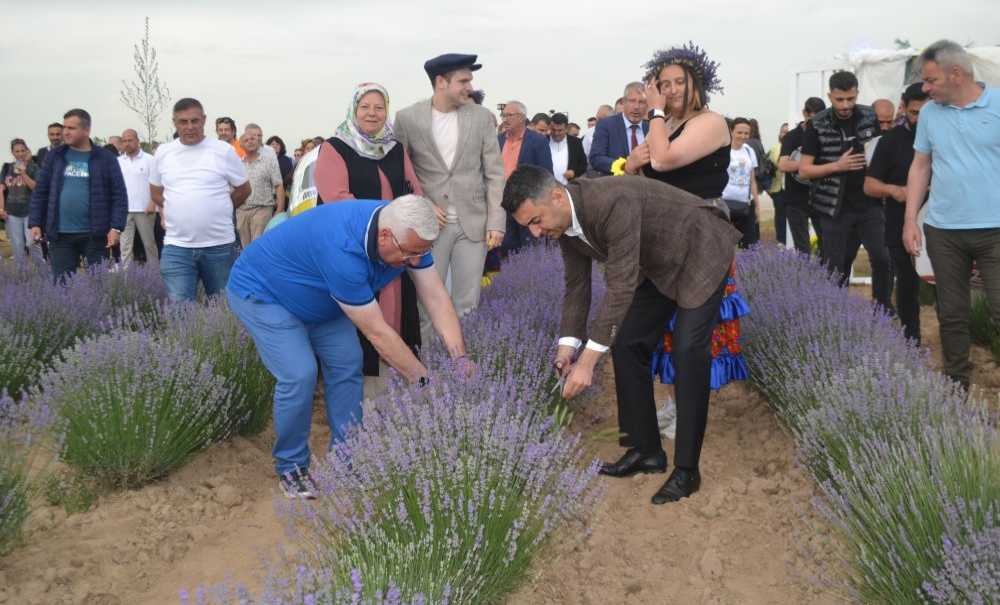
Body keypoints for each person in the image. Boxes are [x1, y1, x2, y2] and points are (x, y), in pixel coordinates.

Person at [503, 165, 741, 504]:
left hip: (700, 250)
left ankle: (687, 470)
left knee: (688, 352)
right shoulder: (564, 222)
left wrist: (587, 363)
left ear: (557, 196)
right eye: (529, 226)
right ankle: (646, 452)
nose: (536, 233)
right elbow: (576, 286)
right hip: (656, 262)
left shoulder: (613, 202)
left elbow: (620, 287)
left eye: (536, 221)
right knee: (628, 342)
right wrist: (566, 349)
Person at [226, 195, 471, 498]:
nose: (414, 262)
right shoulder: (342, 248)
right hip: (265, 293)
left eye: (422, 253)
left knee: (347, 364)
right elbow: (379, 334)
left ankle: (347, 459)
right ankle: (292, 468)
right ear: (385, 235)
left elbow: (434, 295)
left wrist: (459, 358)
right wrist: (423, 381)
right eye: (409, 255)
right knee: (299, 373)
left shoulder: (410, 240)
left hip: (322, 298)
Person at [635, 42, 749, 447]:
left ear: (695, 83)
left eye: (678, 82)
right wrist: (641, 153)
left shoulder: (712, 122)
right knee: (666, 329)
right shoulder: (667, 126)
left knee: (692, 331)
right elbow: (637, 168)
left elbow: (660, 161)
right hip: (665, 235)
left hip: (701, 235)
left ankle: (689, 410)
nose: (671, 90)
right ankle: (673, 404)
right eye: (663, 85)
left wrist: (655, 115)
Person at [902, 40, 1000, 391]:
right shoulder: (929, 113)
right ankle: (957, 385)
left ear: (955, 74)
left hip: (995, 231)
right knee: (952, 314)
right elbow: (920, 166)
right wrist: (910, 219)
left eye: (930, 80)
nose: (924, 89)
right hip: (944, 231)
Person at [313, 82, 426, 378]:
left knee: (397, 311)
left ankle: (395, 371)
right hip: (355, 247)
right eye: (365, 107)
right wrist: (381, 226)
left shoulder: (394, 148)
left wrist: (413, 220)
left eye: (379, 108)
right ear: (354, 109)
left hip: (395, 248)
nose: (372, 114)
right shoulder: (334, 148)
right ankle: (359, 379)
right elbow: (337, 199)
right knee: (359, 320)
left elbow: (415, 190)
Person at [394, 53, 505, 335]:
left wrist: (496, 222)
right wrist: (422, 205)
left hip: (474, 225)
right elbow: (400, 173)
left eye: (470, 80)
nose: (470, 86)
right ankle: (429, 372)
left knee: (467, 304)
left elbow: (494, 173)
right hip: (430, 226)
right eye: (464, 80)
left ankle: (460, 373)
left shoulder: (481, 118)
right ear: (441, 82)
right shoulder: (407, 118)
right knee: (427, 305)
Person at [799, 71, 891, 311]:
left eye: (850, 98)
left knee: (882, 258)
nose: (846, 105)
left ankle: (881, 310)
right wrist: (837, 166)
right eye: (840, 99)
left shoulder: (870, 116)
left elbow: (880, 152)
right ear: (830, 96)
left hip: (869, 204)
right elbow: (804, 170)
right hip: (833, 208)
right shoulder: (817, 124)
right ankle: (836, 315)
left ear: (857, 93)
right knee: (836, 268)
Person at [150, 98, 250, 301]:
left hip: (220, 247)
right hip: (177, 247)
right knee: (180, 309)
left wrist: (220, 208)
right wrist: (173, 207)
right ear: (174, 123)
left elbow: (244, 189)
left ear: (204, 120)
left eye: (195, 121)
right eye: (183, 122)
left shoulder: (223, 151)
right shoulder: (163, 153)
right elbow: (155, 192)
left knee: (224, 307)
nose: (190, 127)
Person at [29, 109, 127, 281]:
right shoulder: (55, 157)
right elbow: (41, 191)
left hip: (95, 235)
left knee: (99, 286)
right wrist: (36, 222)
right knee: (62, 286)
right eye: (65, 127)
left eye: (71, 128)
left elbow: (119, 195)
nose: (65, 132)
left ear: (86, 130)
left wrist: (116, 227)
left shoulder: (105, 158)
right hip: (60, 235)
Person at [864, 83, 929, 345]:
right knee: (907, 283)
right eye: (914, 113)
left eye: (926, 114)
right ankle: (911, 339)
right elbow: (870, 185)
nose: (920, 120)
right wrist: (893, 190)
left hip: (942, 221)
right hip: (899, 221)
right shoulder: (890, 142)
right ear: (903, 107)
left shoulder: (947, 135)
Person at [496, 101, 552, 257]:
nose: (505, 119)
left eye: (509, 115)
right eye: (503, 115)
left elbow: (546, 174)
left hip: (528, 207)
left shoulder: (537, 141)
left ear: (522, 117)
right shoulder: (498, 140)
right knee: (505, 250)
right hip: (502, 206)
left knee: (529, 251)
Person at [779, 97, 827, 254]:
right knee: (802, 249)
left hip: (821, 197)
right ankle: (804, 278)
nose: (814, 123)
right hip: (796, 199)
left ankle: (826, 278)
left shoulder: (826, 135)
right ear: (804, 114)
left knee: (826, 245)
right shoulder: (792, 136)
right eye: (811, 118)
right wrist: (809, 165)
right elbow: (783, 164)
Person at [117, 129, 158, 265]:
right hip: (124, 210)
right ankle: (126, 278)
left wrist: (152, 203)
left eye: (130, 140)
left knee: (149, 245)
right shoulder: (118, 162)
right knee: (125, 246)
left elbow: (157, 184)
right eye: (124, 141)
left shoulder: (150, 160)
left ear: (137, 141)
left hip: (144, 209)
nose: (127, 143)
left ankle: (154, 275)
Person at [236, 131, 285, 246]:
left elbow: (279, 185)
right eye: (246, 140)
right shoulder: (237, 164)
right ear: (241, 145)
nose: (250, 142)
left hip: (262, 209)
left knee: (258, 246)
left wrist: (279, 210)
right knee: (245, 248)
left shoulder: (269, 161)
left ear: (258, 142)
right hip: (242, 211)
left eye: (252, 139)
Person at [589, 83, 648, 175]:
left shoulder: (652, 127)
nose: (636, 107)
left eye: (641, 102)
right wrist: (624, 166)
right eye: (632, 101)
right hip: (616, 186)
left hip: (648, 187)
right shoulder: (606, 125)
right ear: (623, 102)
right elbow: (596, 158)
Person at [722, 118, 760, 247]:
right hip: (724, 202)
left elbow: (752, 180)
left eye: (746, 133)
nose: (743, 136)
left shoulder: (749, 151)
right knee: (724, 243)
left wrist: (757, 204)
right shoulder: (723, 149)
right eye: (739, 132)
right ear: (731, 131)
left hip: (744, 204)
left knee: (749, 244)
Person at [0, 139, 40, 261]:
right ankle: (21, 275)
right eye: (17, 151)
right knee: (17, 246)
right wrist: (1, 209)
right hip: (12, 212)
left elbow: (35, 187)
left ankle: (42, 274)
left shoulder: (34, 167)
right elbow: (1, 189)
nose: (20, 153)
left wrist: (23, 173)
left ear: (27, 151)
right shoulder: (7, 167)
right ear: (12, 152)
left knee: (32, 243)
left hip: (30, 211)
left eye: (23, 150)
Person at [549, 113, 588, 185]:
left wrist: (574, 172)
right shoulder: (544, 141)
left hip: (569, 186)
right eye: (553, 130)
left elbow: (583, 164)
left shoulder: (576, 143)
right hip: (547, 186)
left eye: (560, 130)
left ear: (566, 129)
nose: (556, 133)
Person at [767, 123, 789, 246]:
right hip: (778, 188)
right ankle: (781, 241)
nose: (785, 134)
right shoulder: (776, 148)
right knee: (780, 216)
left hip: (792, 189)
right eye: (783, 131)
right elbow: (778, 164)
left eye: (787, 132)